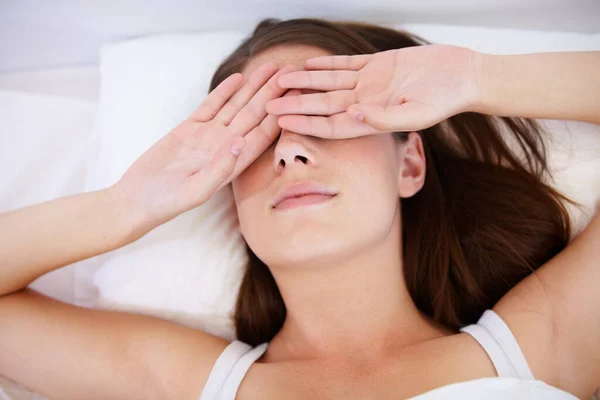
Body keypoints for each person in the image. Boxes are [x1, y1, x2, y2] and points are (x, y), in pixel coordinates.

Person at [0, 17, 598, 400]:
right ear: (231, 201)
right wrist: (125, 206)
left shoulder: (538, 350)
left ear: (409, 164)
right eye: (256, 137)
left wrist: (476, 78)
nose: (288, 149)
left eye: (323, 116)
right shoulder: (185, 382)